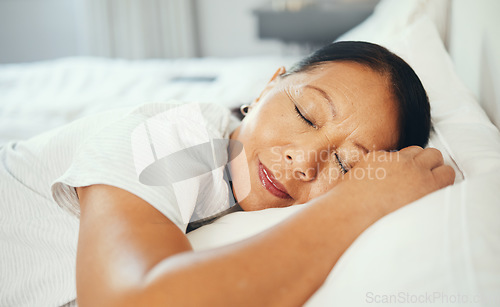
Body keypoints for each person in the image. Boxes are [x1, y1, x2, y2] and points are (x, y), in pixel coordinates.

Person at [0, 41, 454, 306]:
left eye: (344, 164)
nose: (304, 160)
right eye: (305, 113)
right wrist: (359, 203)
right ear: (265, 89)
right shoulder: (175, 138)